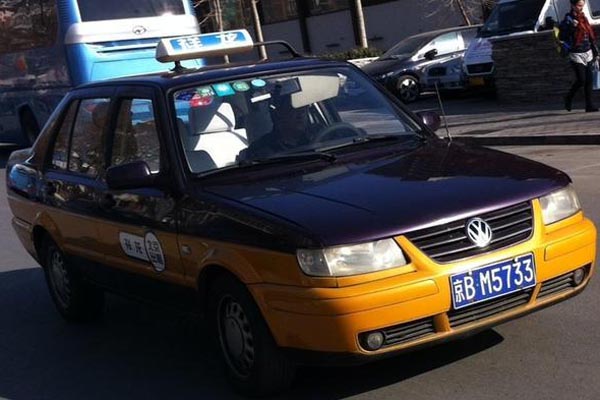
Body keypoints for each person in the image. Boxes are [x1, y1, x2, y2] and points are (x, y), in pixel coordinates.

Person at [242, 96, 312, 160]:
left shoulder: (315, 138)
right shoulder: (260, 149)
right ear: (279, 114)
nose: (300, 115)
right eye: (293, 109)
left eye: (303, 109)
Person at [562, 0, 599, 112]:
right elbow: (563, 36)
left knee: (589, 80)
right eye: (579, 5)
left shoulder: (584, 18)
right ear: (573, 5)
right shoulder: (568, 19)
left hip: (587, 51)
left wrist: (596, 52)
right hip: (576, 53)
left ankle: (589, 105)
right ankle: (568, 97)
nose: (581, 8)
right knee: (581, 79)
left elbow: (590, 35)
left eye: (582, 5)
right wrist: (572, 27)